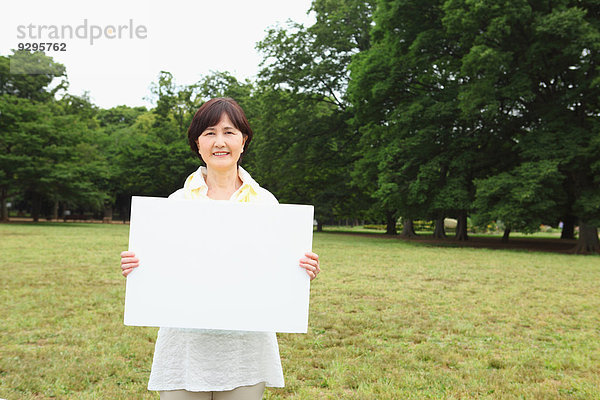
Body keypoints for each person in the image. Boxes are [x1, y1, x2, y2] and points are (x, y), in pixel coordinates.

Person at [120, 97, 320, 400]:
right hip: (184, 348)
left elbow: (277, 275)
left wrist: (300, 271)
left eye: (229, 132)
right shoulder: (175, 204)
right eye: (209, 133)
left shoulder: (267, 204)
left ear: (244, 141)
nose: (220, 142)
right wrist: (138, 268)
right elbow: (161, 273)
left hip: (245, 350)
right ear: (197, 143)